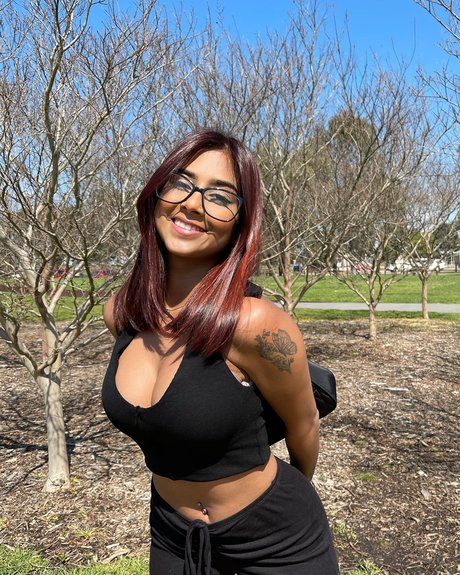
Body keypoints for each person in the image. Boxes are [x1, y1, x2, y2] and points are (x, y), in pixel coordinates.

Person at [102, 128, 339, 574]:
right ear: (156, 194)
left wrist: (295, 492)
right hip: (172, 534)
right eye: (181, 182)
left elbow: (304, 421)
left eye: (220, 196)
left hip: (275, 539)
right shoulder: (121, 313)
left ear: (240, 223)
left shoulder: (254, 323)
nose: (193, 204)